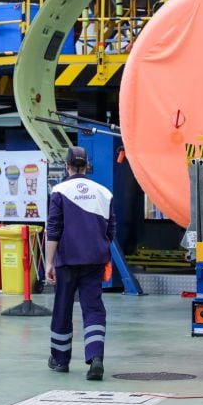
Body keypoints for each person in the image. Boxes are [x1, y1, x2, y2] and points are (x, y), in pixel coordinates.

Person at [45, 146, 115, 380]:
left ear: (67, 166)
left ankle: (60, 359)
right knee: (93, 307)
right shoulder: (104, 193)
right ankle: (95, 357)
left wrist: (49, 262)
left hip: (67, 260)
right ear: (86, 167)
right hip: (94, 259)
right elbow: (111, 230)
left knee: (63, 308)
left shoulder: (59, 191)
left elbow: (53, 229)